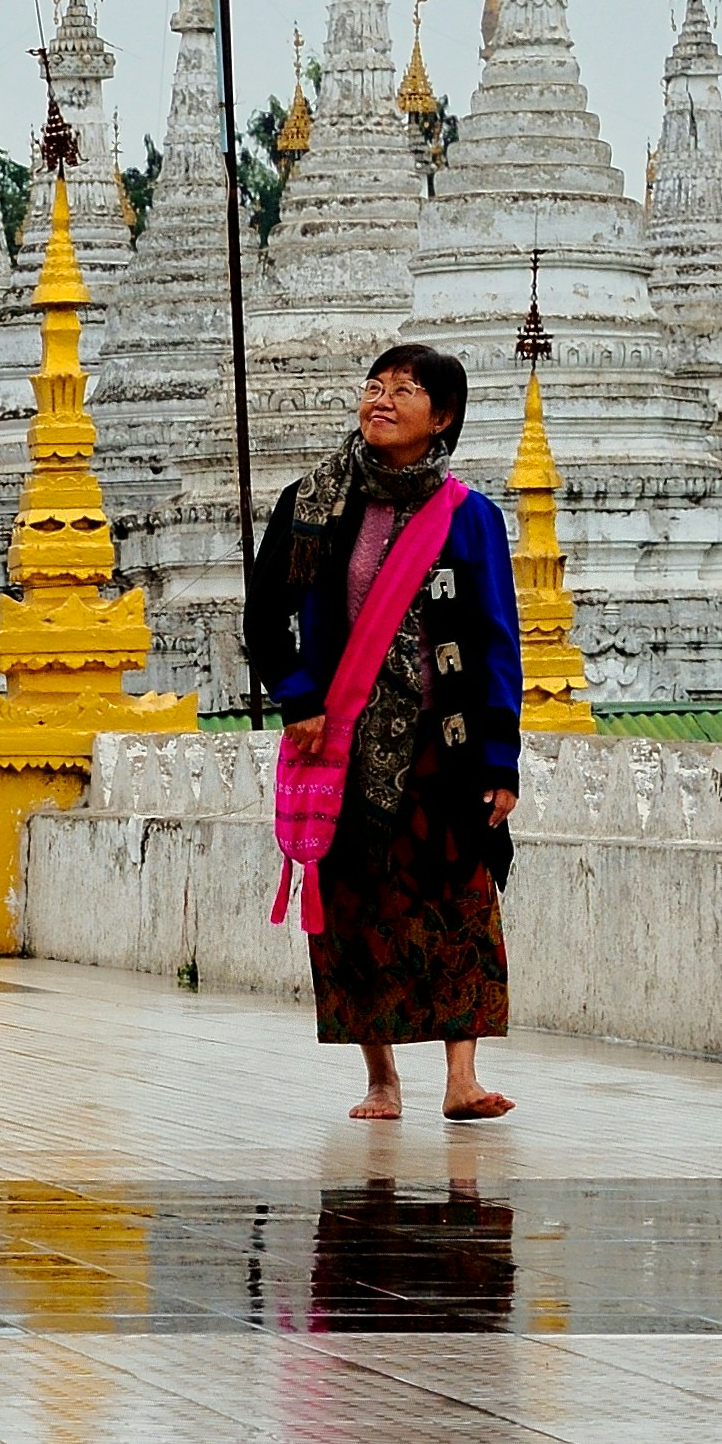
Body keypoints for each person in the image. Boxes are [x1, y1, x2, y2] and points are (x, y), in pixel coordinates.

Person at [241, 343, 523, 1122]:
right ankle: (380, 1078)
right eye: (374, 386)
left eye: (405, 390)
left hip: (446, 743)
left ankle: (462, 1076)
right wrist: (298, 698)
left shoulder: (470, 518)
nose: (383, 400)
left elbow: (498, 641)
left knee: (460, 900)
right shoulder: (312, 504)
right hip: (343, 743)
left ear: (444, 419)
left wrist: (502, 760)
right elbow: (264, 619)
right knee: (360, 909)